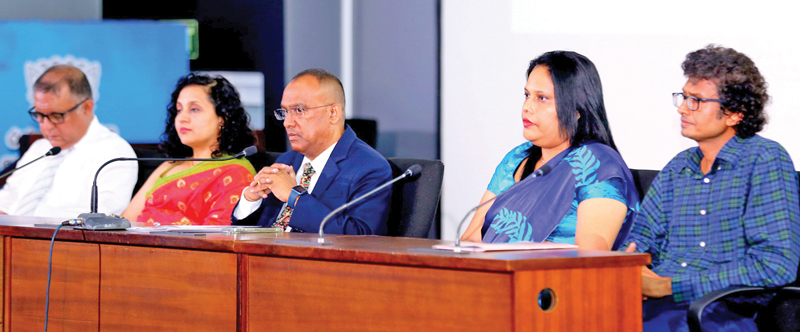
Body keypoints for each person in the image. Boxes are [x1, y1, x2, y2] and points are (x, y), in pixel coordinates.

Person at [622, 45, 800, 331]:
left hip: (716, 313)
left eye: (696, 100)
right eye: (683, 97)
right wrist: (632, 269)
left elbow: (775, 265)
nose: (682, 108)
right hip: (650, 306)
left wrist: (669, 286)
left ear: (735, 113)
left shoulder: (764, 160)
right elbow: (640, 238)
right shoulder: (678, 167)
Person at [460, 51, 639, 251]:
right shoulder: (517, 158)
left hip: (555, 279)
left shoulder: (596, 164)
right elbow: (470, 239)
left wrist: (509, 250)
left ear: (576, 110)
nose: (527, 106)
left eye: (542, 98)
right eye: (527, 95)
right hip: (495, 274)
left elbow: (591, 255)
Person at [232, 69, 392, 234]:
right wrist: (250, 200)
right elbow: (257, 230)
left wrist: (294, 196)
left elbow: (360, 237)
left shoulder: (369, 167)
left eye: (299, 111)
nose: (287, 122)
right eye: (285, 112)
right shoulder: (287, 161)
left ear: (333, 113)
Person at [0, 65, 137, 218]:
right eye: (39, 114)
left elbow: (102, 220)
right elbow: (6, 203)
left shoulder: (114, 153)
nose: (46, 126)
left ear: (86, 108)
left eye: (56, 116)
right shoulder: (40, 148)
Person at [121, 74, 256, 226]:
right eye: (179, 110)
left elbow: (217, 239)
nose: (182, 118)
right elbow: (125, 222)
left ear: (222, 118)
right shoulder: (170, 165)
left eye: (194, 109)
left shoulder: (235, 172)